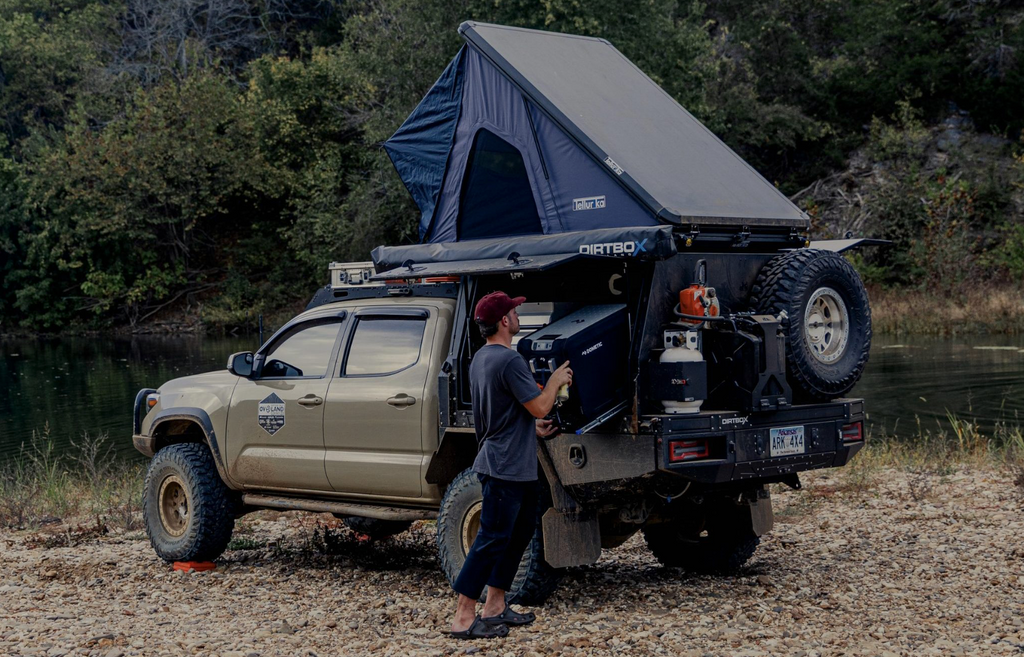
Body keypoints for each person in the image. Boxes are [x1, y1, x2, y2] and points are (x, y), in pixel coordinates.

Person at [448, 291, 573, 640]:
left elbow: (504, 414)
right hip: (504, 467)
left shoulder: (482, 358)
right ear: (504, 320)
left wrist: (531, 428)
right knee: (490, 539)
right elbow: (541, 406)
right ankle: (462, 617)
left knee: (516, 536)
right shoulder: (509, 360)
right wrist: (555, 382)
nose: (518, 314)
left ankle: (495, 606)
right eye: (515, 311)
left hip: (513, 464)